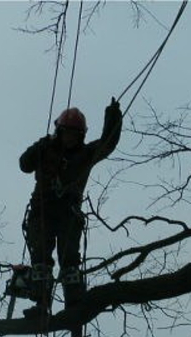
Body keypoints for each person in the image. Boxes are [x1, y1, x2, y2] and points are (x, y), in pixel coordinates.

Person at [18, 98, 122, 319]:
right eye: (66, 133)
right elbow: (24, 164)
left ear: (80, 136)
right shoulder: (45, 149)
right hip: (42, 210)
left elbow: (108, 143)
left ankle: (74, 304)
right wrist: (40, 146)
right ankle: (41, 304)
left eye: (74, 135)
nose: (70, 138)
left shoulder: (85, 154)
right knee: (41, 257)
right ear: (59, 131)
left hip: (68, 212)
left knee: (70, 260)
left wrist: (113, 115)